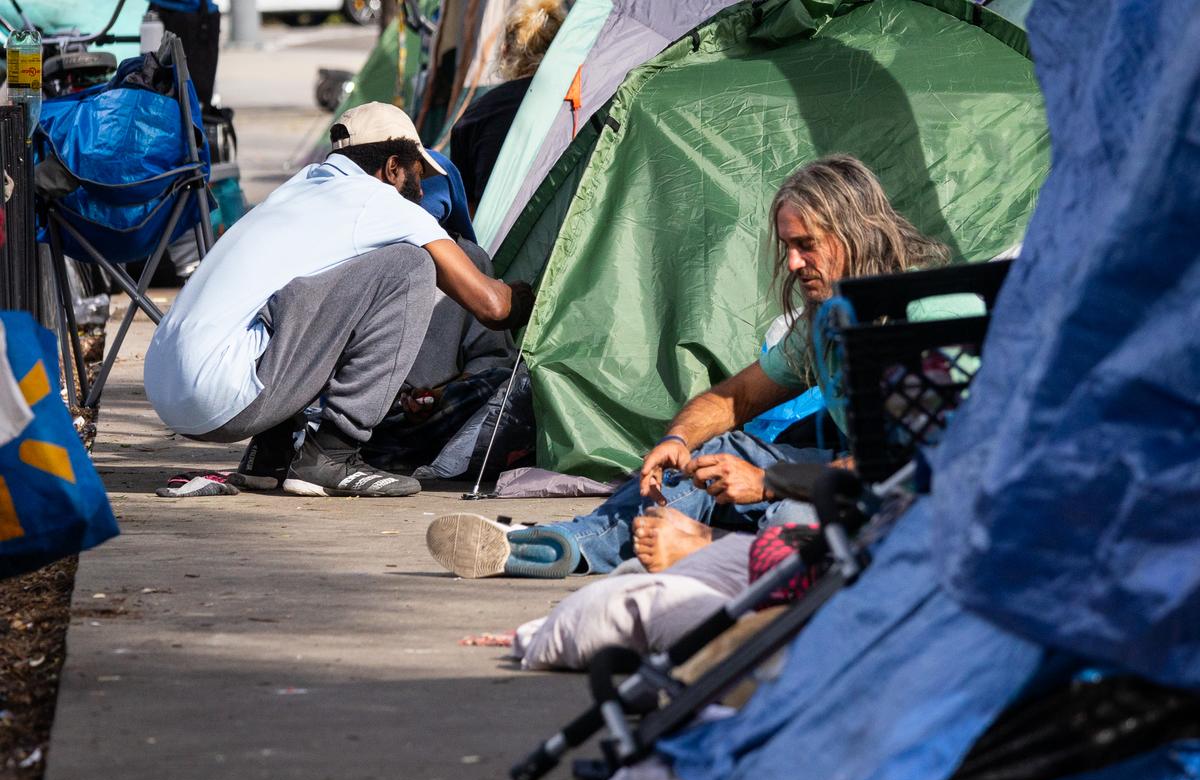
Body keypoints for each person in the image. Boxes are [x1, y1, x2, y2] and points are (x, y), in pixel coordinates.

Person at [425, 154, 950, 576]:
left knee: (794, 516)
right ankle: (559, 546)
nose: (792, 264)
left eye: (806, 246)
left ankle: (705, 546)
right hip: (851, 477)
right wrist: (678, 441)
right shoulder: (827, 319)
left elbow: (932, 463)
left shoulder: (929, 311)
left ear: (855, 233)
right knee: (712, 456)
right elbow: (734, 399)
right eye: (788, 247)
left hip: (921, 506)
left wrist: (772, 483)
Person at [145, 102, 533, 498]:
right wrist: (534, 297)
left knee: (307, 286)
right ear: (393, 168)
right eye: (418, 175)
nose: (420, 190)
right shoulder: (379, 201)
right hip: (224, 393)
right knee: (411, 265)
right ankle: (332, 452)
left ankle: (270, 455)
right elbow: (493, 306)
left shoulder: (295, 192)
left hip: (169, 388)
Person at [450, 0, 566, 209]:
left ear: (505, 51)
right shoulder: (577, 106)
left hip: (490, 236)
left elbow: (465, 207)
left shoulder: (477, 114)